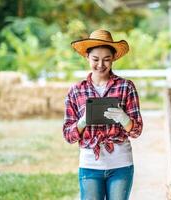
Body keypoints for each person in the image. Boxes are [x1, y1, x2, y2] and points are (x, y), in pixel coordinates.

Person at [63, 29, 143, 200]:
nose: (101, 65)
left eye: (107, 59)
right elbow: (68, 136)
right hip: (89, 164)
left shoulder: (126, 87)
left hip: (121, 164)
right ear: (86, 57)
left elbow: (137, 131)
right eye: (95, 59)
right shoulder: (76, 91)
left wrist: (124, 119)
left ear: (113, 58)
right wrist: (82, 122)